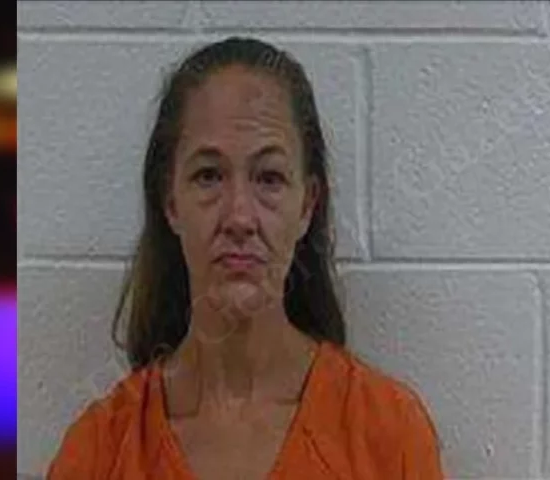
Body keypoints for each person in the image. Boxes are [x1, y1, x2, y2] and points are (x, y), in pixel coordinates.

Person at [46, 36, 446, 479]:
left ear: (307, 205)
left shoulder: (388, 433)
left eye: (269, 178)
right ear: (171, 202)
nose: (239, 217)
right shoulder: (99, 451)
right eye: (209, 176)